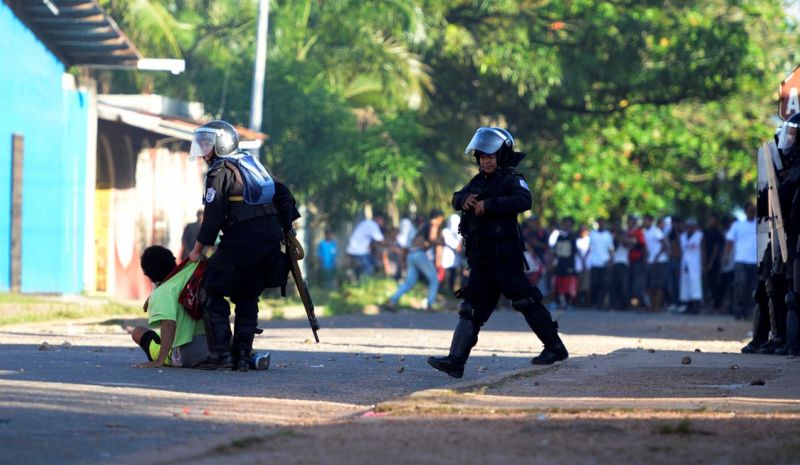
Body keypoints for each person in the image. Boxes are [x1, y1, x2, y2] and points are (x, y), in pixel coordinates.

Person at [428, 127, 568, 378]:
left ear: (502, 156)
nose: (485, 161)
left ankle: (555, 348)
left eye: (490, 156)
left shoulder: (511, 179)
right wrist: (464, 201)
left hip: (505, 258)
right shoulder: (478, 181)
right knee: (470, 309)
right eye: (482, 157)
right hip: (481, 261)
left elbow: (524, 200)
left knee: (526, 300)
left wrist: (489, 204)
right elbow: (456, 197)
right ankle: (455, 362)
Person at [186, 120, 298, 371]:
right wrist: (287, 231)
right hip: (268, 242)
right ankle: (244, 356)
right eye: (201, 143)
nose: (203, 148)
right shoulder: (251, 163)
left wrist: (196, 252)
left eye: (207, 143)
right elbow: (284, 195)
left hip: (243, 240)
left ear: (222, 144)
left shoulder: (219, 171)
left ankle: (223, 357)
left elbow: (212, 218)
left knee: (210, 290)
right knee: (248, 293)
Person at [130, 246, 210, 368]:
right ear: (173, 260)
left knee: (137, 332)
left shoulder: (163, 292)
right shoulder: (191, 269)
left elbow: (168, 323)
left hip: (187, 355)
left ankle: (164, 356)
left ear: (147, 274)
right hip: (213, 347)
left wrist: (159, 361)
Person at [385, 210, 445, 311]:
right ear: (438, 218)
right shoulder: (433, 224)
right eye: (441, 219)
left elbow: (418, 241)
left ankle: (392, 300)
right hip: (419, 254)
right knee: (434, 280)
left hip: (411, 254)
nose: (441, 222)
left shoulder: (423, 227)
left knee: (409, 282)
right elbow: (432, 238)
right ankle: (429, 304)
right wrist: (442, 242)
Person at [725, 203, 758, 320]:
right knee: (740, 284)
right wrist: (727, 256)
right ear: (745, 212)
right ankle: (738, 310)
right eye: (750, 211)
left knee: (753, 287)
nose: (752, 213)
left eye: (754, 211)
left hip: (755, 261)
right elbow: (729, 241)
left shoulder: (759, 224)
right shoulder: (737, 225)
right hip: (740, 260)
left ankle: (749, 311)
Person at [345, 214, 385, 280]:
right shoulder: (372, 225)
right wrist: (391, 245)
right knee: (368, 268)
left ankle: (352, 274)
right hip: (359, 251)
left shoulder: (366, 223)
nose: (382, 223)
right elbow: (381, 241)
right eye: (382, 221)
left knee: (370, 263)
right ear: (377, 219)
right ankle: (363, 284)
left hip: (354, 249)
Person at [550, 217, 578, 309]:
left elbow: (575, 251)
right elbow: (555, 250)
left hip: (570, 263)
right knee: (559, 282)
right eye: (565, 223)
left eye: (569, 223)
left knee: (569, 283)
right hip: (560, 263)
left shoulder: (574, 236)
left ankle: (569, 302)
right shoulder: (559, 236)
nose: (567, 225)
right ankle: (560, 301)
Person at [678, 218, 704, 313]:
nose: (689, 228)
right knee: (686, 284)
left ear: (695, 226)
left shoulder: (699, 236)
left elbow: (703, 250)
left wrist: (703, 264)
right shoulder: (682, 236)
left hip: (695, 263)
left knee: (695, 284)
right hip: (685, 263)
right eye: (687, 226)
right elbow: (682, 251)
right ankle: (688, 305)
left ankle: (696, 306)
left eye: (691, 226)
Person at [644, 215, 669, 311]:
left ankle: (657, 306)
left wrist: (656, 258)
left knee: (659, 285)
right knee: (651, 285)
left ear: (651, 221)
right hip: (651, 261)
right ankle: (652, 305)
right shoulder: (646, 232)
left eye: (647, 220)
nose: (645, 222)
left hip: (660, 262)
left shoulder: (656, 231)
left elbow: (664, 245)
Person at [588, 218, 614, 308]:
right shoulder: (592, 234)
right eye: (600, 222)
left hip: (605, 262)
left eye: (603, 222)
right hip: (594, 262)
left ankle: (600, 303)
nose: (601, 224)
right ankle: (593, 302)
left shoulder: (608, 235)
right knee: (594, 283)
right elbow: (589, 247)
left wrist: (611, 260)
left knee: (603, 284)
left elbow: (610, 248)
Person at [441, 214, 464, 295]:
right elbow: (458, 248)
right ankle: (444, 293)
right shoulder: (446, 232)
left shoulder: (459, 233)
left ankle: (450, 294)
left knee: (453, 279)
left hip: (455, 262)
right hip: (446, 261)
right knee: (445, 280)